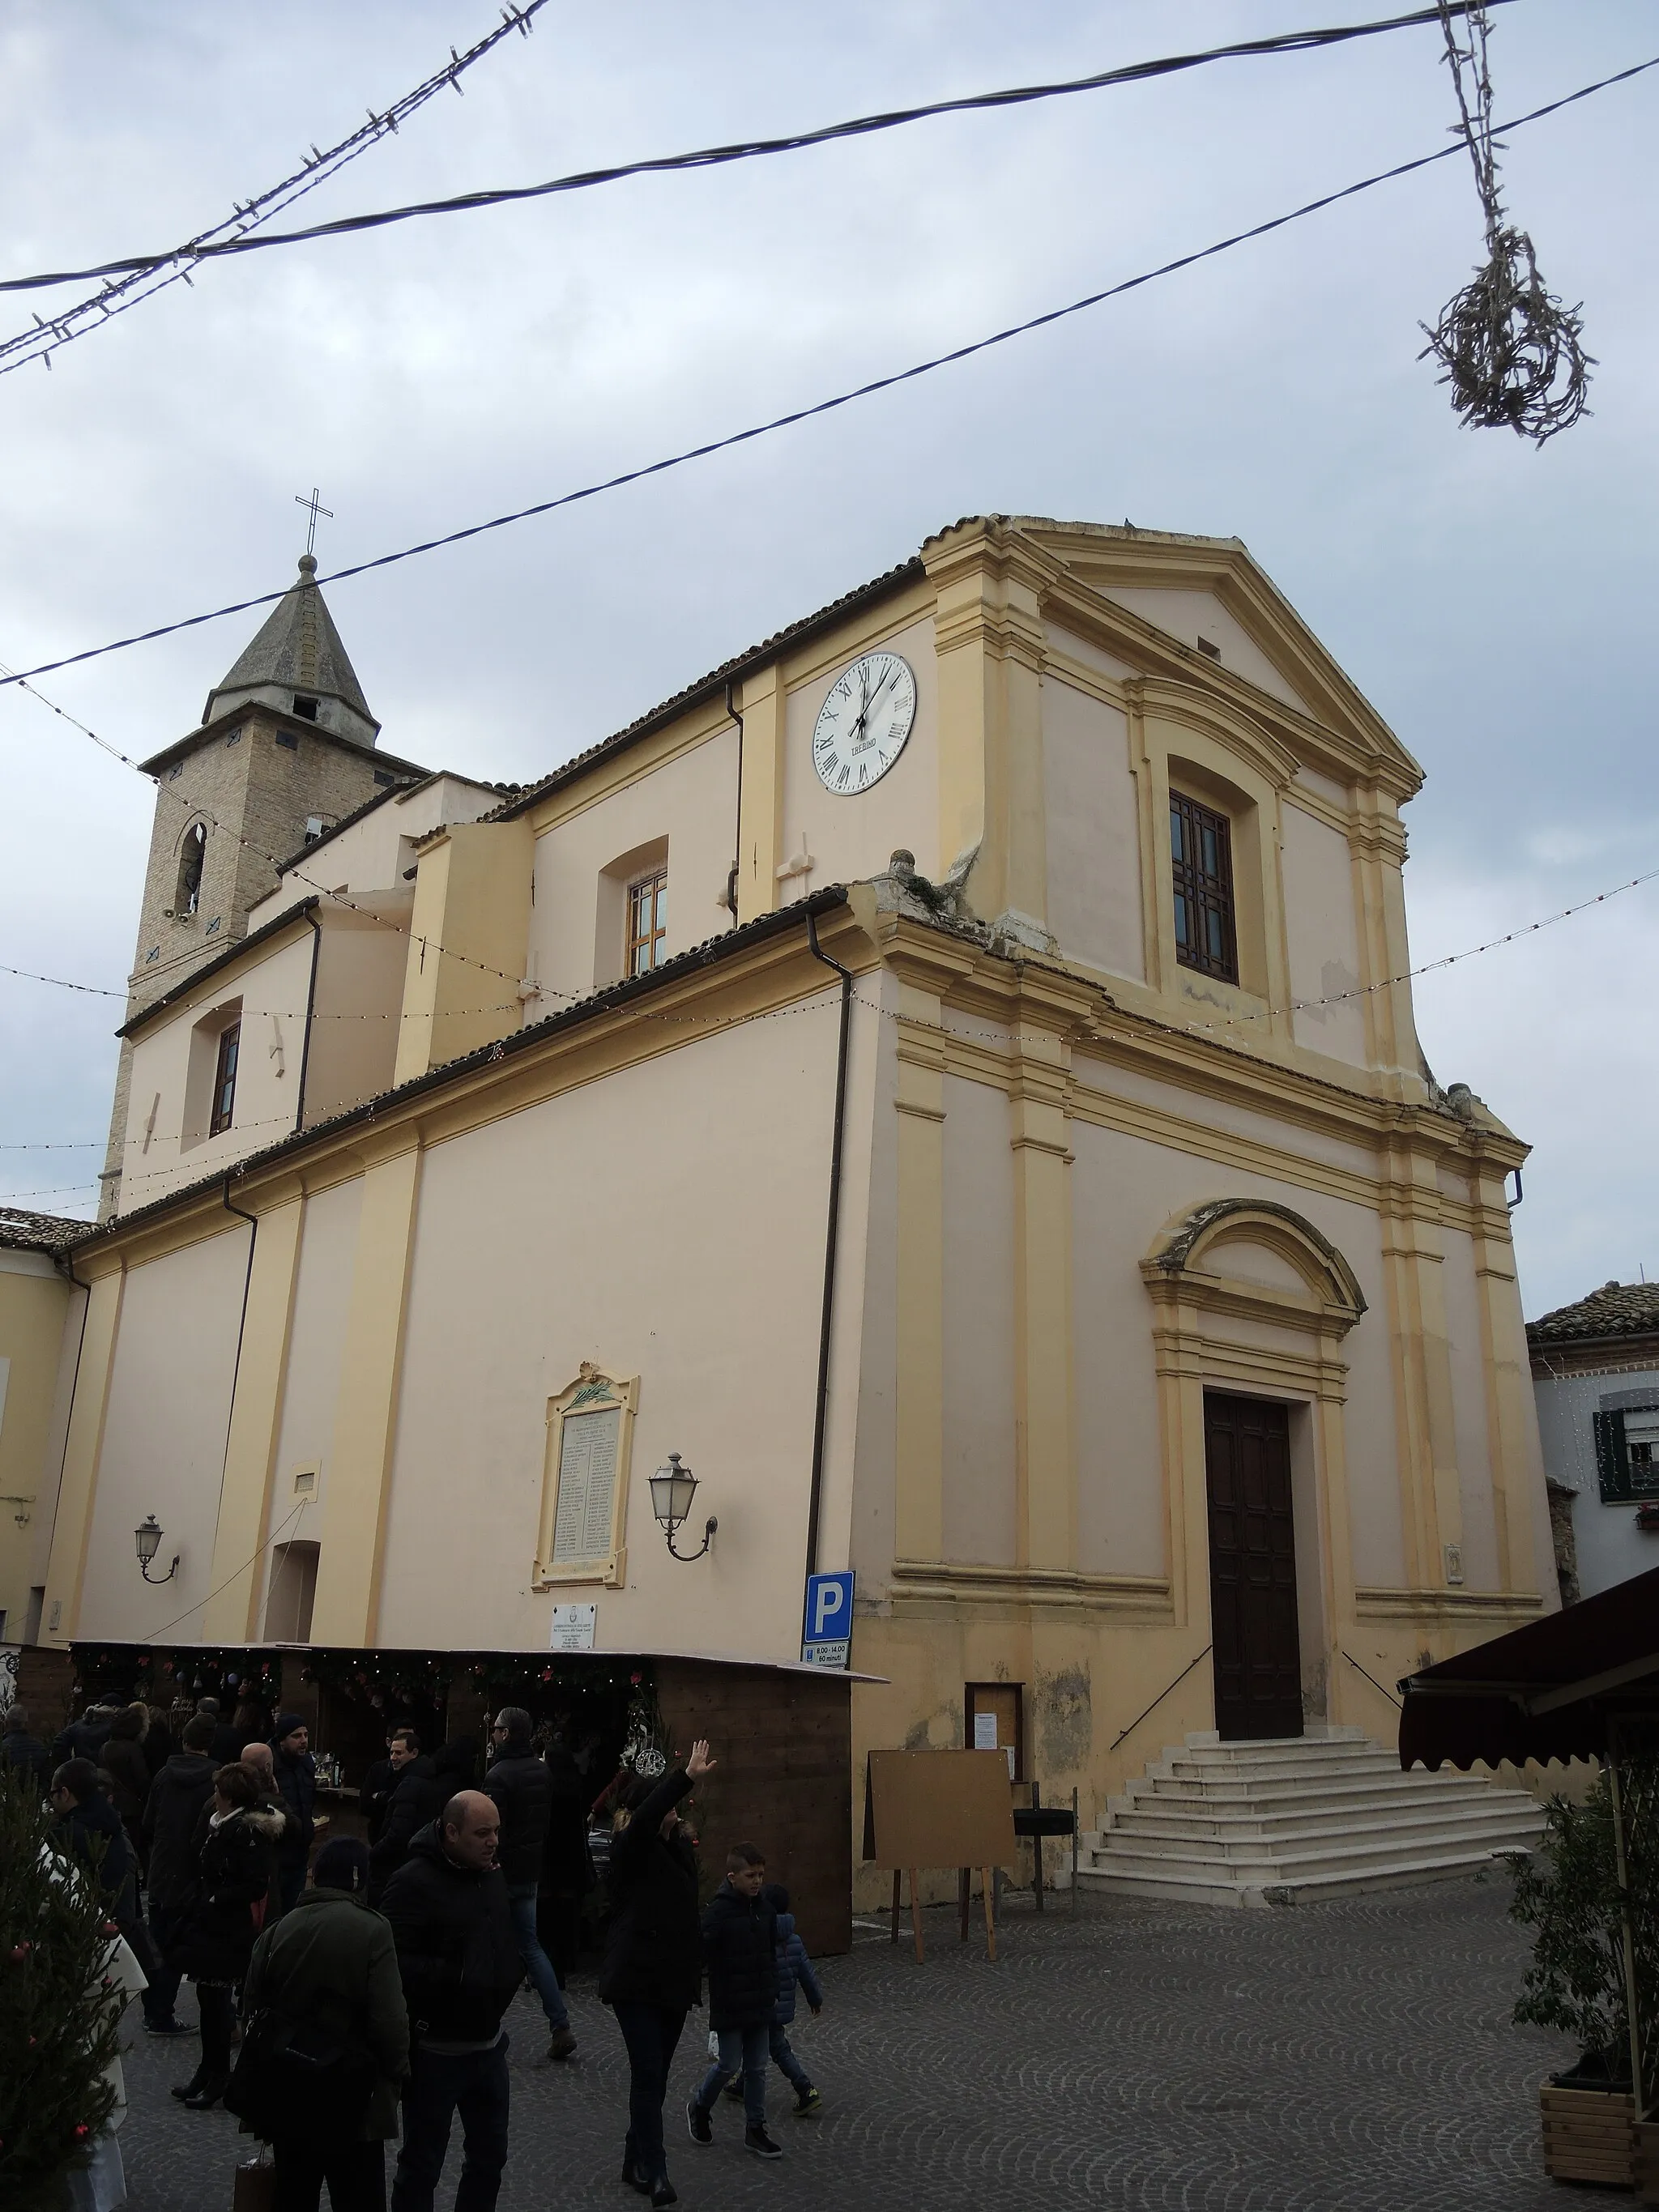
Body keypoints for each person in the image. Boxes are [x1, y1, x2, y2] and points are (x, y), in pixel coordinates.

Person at [237, 1835, 410, 2212]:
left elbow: (251, 2013)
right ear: (357, 1879)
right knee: (359, 2197)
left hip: (289, 2095)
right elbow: (390, 2020)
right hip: (353, 2098)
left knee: (294, 2196)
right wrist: (397, 2073)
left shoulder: (275, 1933)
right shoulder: (372, 1930)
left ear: (316, 1877)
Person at [380, 1790, 522, 2212]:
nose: (493, 1841)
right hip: (435, 2054)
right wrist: (455, 1977)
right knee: (423, 2164)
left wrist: (511, 1970)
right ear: (451, 1832)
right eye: (482, 1833)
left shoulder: (492, 1874)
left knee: (489, 2160)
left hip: (489, 2048)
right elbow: (391, 1961)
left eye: (496, 1831)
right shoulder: (412, 1882)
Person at [599, 1741, 716, 2210]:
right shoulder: (631, 1848)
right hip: (636, 1980)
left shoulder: (679, 1851)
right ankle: (656, 2168)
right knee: (648, 2074)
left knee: (657, 2075)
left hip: (672, 1981)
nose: (672, 1811)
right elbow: (648, 1816)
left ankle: (633, 2158)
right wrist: (683, 1777)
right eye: (665, 1804)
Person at [168, 1761, 285, 2109]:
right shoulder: (222, 1825)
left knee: (217, 2006)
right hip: (212, 1924)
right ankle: (207, 2071)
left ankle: (219, 2076)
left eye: (218, 1790)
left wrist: (218, 1897)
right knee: (207, 2002)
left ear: (228, 1796)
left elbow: (254, 1883)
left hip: (229, 1929)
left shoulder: (246, 1833)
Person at [49, 1758, 179, 2040]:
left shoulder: (71, 1834)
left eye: (52, 1793)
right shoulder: (110, 1825)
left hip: (88, 1929)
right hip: (116, 1920)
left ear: (65, 1793)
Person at [485, 1707, 576, 2062]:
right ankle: (561, 2024)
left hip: (500, 1869)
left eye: (496, 1729)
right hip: (530, 1870)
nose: (492, 1734)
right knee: (531, 1946)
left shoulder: (498, 1775)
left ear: (506, 1734)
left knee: (490, 1947)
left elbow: (490, 1828)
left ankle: (484, 2023)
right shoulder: (542, 1771)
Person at [687, 1842, 783, 2160]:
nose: (757, 1881)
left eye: (761, 1875)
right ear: (732, 1877)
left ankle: (755, 2129)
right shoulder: (718, 1913)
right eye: (750, 1875)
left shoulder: (765, 1909)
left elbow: (770, 1954)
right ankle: (700, 2105)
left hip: (759, 2002)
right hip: (730, 2003)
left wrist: (772, 1991)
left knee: (757, 2068)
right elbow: (701, 1954)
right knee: (728, 2065)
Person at [143, 1711, 220, 2035]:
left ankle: (154, 2009)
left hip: (162, 1869)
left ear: (184, 1741)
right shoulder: (217, 1778)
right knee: (178, 1945)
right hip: (192, 1872)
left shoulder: (163, 1775)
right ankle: (161, 2014)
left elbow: (148, 1822)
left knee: (157, 1942)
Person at [367, 1733, 438, 1902]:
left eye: (399, 1753)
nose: (393, 1758)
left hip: (397, 1867)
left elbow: (398, 1834)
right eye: (391, 1752)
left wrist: (375, 1853)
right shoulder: (424, 1779)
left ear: (414, 1753)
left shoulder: (411, 1783)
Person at [270, 1713, 325, 1912]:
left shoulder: (306, 1763)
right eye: (296, 1736)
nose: (303, 1741)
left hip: (300, 1850)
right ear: (282, 1739)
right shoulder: (270, 1763)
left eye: (306, 1735)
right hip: (277, 1852)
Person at [97, 1705, 152, 1861]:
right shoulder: (132, 1749)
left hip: (110, 1803)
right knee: (136, 1848)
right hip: (131, 1807)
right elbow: (142, 1779)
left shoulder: (105, 1747)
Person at [361, 1728, 412, 1847]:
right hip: (379, 1836)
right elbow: (364, 1804)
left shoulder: (419, 1776)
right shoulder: (379, 1770)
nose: (394, 1757)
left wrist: (381, 1797)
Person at [1, 1704, 53, 1792]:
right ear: (25, 1723)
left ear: (6, 1723)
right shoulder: (40, 1748)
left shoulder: (3, 1748)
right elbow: (47, 1780)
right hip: (35, 1800)